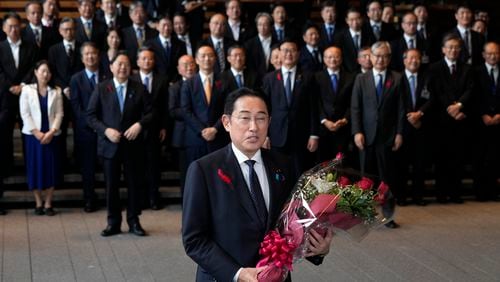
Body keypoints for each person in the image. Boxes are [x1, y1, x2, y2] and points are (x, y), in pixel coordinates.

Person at [182, 87, 333, 282]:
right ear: (226, 123)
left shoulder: (284, 165)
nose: (253, 127)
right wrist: (238, 273)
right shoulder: (204, 170)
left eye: (261, 118)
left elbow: (295, 223)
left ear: (269, 122)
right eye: (244, 118)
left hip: (276, 277)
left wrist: (318, 248)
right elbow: (194, 240)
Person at [87, 51, 153, 236]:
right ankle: (113, 223)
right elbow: (90, 116)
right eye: (119, 64)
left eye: (125, 64)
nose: (122, 67)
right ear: (111, 67)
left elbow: (150, 113)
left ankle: (134, 221)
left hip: (133, 146)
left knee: (134, 185)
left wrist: (140, 125)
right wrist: (106, 130)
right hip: (110, 146)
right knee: (111, 186)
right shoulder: (102, 88)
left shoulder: (139, 88)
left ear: (130, 68)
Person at [351, 41, 403, 228]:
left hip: (387, 137)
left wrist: (399, 133)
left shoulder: (397, 78)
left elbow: (400, 109)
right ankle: (364, 215)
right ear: (370, 57)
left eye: (384, 56)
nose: (380, 59)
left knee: (387, 179)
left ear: (389, 58)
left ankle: (388, 216)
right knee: (365, 179)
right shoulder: (361, 79)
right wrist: (357, 132)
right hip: (365, 136)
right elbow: (355, 108)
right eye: (377, 55)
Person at [262, 39, 319, 180]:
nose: (288, 54)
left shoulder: (308, 77)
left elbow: (314, 107)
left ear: (298, 54)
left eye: (292, 50)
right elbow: (265, 109)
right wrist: (265, 135)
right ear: (279, 54)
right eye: (285, 50)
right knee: (277, 174)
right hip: (276, 135)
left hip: (300, 135)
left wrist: (314, 134)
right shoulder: (270, 78)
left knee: (300, 173)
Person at [427, 33, 473, 204]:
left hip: (461, 119)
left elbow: (470, 90)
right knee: (441, 160)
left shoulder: (467, 68)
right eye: (450, 47)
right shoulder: (434, 68)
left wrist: (459, 106)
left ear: (460, 50)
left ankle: (455, 194)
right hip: (441, 121)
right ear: (443, 49)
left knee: (458, 159)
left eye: (456, 47)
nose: (453, 50)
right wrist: (450, 108)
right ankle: (441, 194)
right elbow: (436, 92)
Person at [20, 60, 64, 216]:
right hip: (33, 136)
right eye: (43, 71)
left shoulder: (56, 91)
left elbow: (59, 114)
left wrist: (51, 132)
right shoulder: (26, 90)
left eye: (48, 72)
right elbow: (25, 113)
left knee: (50, 168)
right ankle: (38, 202)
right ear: (36, 72)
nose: (46, 74)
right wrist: (37, 133)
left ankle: (48, 203)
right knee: (35, 168)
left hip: (52, 135)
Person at [70, 42, 108, 213]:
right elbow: (76, 107)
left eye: (93, 53)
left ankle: (110, 199)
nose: (90, 57)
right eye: (87, 54)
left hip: (106, 130)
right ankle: (89, 200)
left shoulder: (108, 76)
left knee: (109, 167)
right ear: (82, 58)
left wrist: (103, 127)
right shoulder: (76, 79)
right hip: (85, 131)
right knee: (88, 168)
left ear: (99, 55)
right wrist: (92, 125)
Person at [130, 47, 169, 210]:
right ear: (138, 61)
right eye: (144, 59)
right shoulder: (131, 79)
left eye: (150, 59)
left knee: (154, 165)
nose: (147, 61)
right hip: (135, 129)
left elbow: (165, 106)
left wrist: (164, 127)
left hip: (155, 128)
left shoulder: (162, 79)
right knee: (137, 165)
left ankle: (154, 197)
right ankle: (141, 198)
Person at [180, 45, 228, 167]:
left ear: (215, 59)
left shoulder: (224, 82)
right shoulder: (188, 84)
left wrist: (215, 129)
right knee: (195, 178)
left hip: (219, 137)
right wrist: (202, 130)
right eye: (203, 56)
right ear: (196, 60)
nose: (207, 59)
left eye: (210, 55)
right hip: (195, 139)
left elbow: (228, 108)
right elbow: (186, 111)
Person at [395, 48, 431, 206]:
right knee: (401, 165)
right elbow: (396, 101)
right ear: (404, 60)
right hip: (402, 127)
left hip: (421, 126)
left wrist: (420, 114)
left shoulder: (427, 76)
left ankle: (418, 196)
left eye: (417, 58)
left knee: (420, 164)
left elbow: (432, 98)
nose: (414, 61)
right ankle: (402, 197)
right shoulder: (397, 78)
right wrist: (410, 115)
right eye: (410, 58)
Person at [315, 46, 355, 163]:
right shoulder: (317, 77)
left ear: (341, 59)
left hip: (343, 128)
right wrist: (324, 120)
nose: (333, 60)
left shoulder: (351, 77)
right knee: (323, 164)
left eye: (336, 57)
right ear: (324, 59)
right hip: (323, 128)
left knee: (342, 164)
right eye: (329, 57)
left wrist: (345, 119)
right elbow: (316, 102)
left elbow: (352, 102)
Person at [474, 42, 500, 201]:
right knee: (480, 157)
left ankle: (493, 191)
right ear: (483, 55)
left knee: (496, 157)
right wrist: (482, 114)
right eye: (489, 53)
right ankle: (480, 192)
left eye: (496, 53)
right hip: (480, 122)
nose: (493, 56)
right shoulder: (475, 72)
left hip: (498, 121)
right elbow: (474, 95)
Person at [169, 55, 196, 197]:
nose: (189, 67)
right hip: (183, 136)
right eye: (185, 65)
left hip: (200, 135)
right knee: (186, 172)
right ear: (179, 70)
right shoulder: (174, 87)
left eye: (191, 64)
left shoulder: (202, 84)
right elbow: (172, 111)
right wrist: (191, 112)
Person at [145, 14, 186, 82]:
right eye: (164, 25)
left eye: (169, 25)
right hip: (156, 82)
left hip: (175, 82)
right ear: (157, 26)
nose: (166, 28)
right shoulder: (149, 44)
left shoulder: (180, 44)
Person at [121, 1, 157, 69]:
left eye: (141, 12)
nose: (138, 15)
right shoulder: (124, 33)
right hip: (131, 70)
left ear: (145, 14)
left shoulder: (154, 33)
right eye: (135, 13)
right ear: (130, 15)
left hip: (150, 69)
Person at [334, 8, 372, 72]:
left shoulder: (369, 34)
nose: (355, 22)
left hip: (365, 71)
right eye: (351, 20)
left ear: (362, 19)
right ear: (346, 20)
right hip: (346, 73)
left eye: (358, 19)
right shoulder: (339, 36)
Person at [244, 12, 277, 80]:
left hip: (273, 79)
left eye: (265, 24)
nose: (262, 27)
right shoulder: (249, 44)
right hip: (254, 81)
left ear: (271, 26)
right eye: (260, 25)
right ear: (256, 26)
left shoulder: (277, 43)